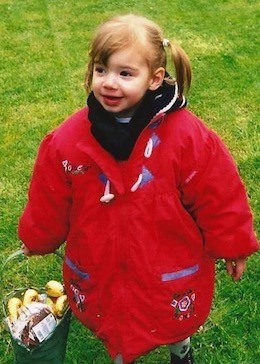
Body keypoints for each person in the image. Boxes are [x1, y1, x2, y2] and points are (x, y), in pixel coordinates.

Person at [19, 13, 258, 364]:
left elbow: (218, 193)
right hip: (99, 259)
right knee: (114, 314)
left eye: (125, 73)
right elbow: (50, 196)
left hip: (168, 258)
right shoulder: (68, 140)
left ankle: (181, 349)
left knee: (173, 315)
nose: (109, 83)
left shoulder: (187, 138)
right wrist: (37, 236)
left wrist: (234, 244)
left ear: (154, 79)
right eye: (101, 70)